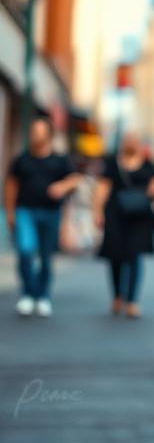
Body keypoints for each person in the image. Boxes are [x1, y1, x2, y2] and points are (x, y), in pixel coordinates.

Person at [4, 115, 81, 317]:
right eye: (33, 132)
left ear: (49, 135)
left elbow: (75, 179)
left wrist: (62, 186)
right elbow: (11, 186)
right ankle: (28, 294)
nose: (35, 136)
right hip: (25, 212)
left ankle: (43, 295)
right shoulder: (21, 159)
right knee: (25, 251)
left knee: (46, 257)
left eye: (39, 131)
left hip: (51, 213)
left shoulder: (60, 160)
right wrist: (10, 212)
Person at [93, 130, 154, 318]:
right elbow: (102, 188)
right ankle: (118, 295)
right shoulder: (113, 164)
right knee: (115, 257)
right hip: (116, 215)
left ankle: (133, 300)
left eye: (135, 141)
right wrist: (98, 212)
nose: (131, 144)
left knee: (135, 257)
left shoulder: (148, 164)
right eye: (128, 141)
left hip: (139, 216)